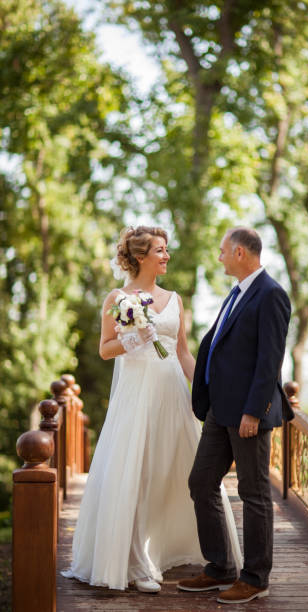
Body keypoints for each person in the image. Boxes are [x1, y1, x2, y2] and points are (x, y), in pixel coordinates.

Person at [62, 226, 241, 593]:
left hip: (172, 393)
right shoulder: (118, 297)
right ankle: (137, 563)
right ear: (141, 256)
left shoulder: (175, 299)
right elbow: (105, 349)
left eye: (166, 249)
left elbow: (183, 353)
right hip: (137, 395)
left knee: (175, 469)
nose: (166, 256)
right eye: (160, 250)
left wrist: (209, 394)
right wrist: (134, 337)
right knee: (138, 473)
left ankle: (178, 551)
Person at [177, 227, 293, 605]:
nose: (219, 256)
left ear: (241, 252)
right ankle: (220, 567)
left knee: (254, 494)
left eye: (223, 250)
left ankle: (255, 577)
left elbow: (269, 361)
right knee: (201, 482)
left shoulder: (271, 294)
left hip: (247, 415)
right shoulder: (238, 291)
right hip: (218, 411)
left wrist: (253, 412)